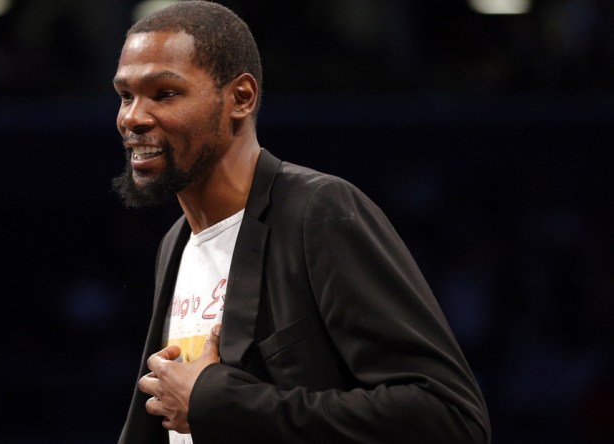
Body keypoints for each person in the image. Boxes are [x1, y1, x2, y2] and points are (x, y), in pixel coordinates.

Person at [112, 1, 490, 443]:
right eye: (125, 95)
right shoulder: (175, 244)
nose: (132, 117)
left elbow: (449, 417)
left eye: (165, 93)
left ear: (240, 98)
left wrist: (221, 403)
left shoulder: (318, 211)